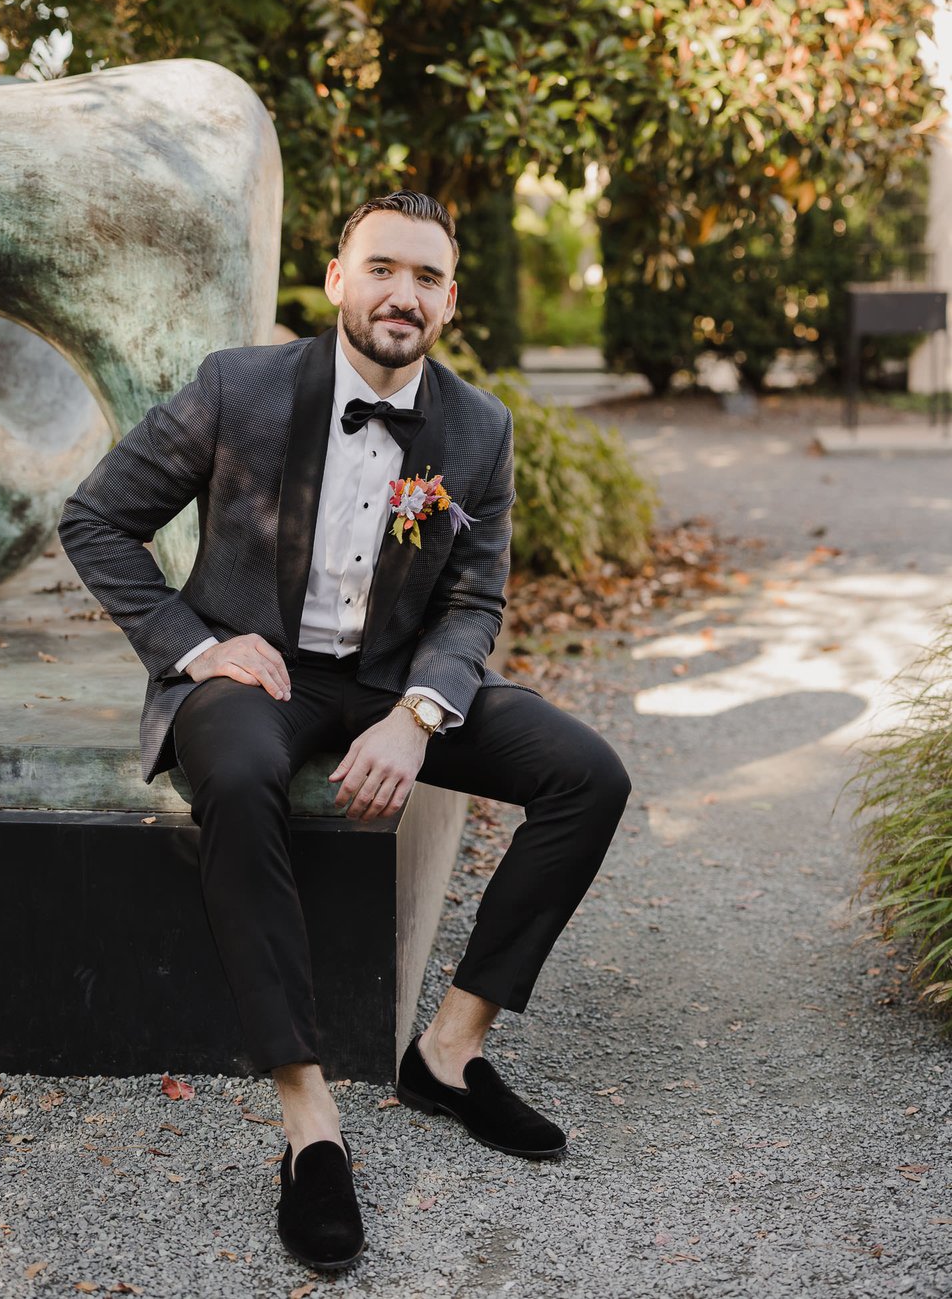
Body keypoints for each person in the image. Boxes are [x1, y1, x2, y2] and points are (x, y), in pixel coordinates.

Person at [58, 189, 630, 1272]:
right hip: (257, 670)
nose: (401, 293)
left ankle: (448, 1053)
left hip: (391, 679)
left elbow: (472, 605)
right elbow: (97, 516)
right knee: (231, 774)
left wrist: (419, 715)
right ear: (336, 279)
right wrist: (193, 646)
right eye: (382, 268)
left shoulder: (478, 428)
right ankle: (309, 1119)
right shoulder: (242, 386)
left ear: (449, 300)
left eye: (424, 277)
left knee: (587, 775)